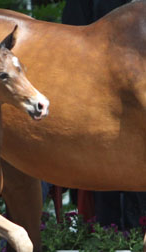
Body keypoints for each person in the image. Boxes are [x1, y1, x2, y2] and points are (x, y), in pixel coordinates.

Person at [61, 0, 146, 230]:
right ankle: (108, 243)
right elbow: (70, 42)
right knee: (103, 192)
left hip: (135, 112)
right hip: (100, 108)